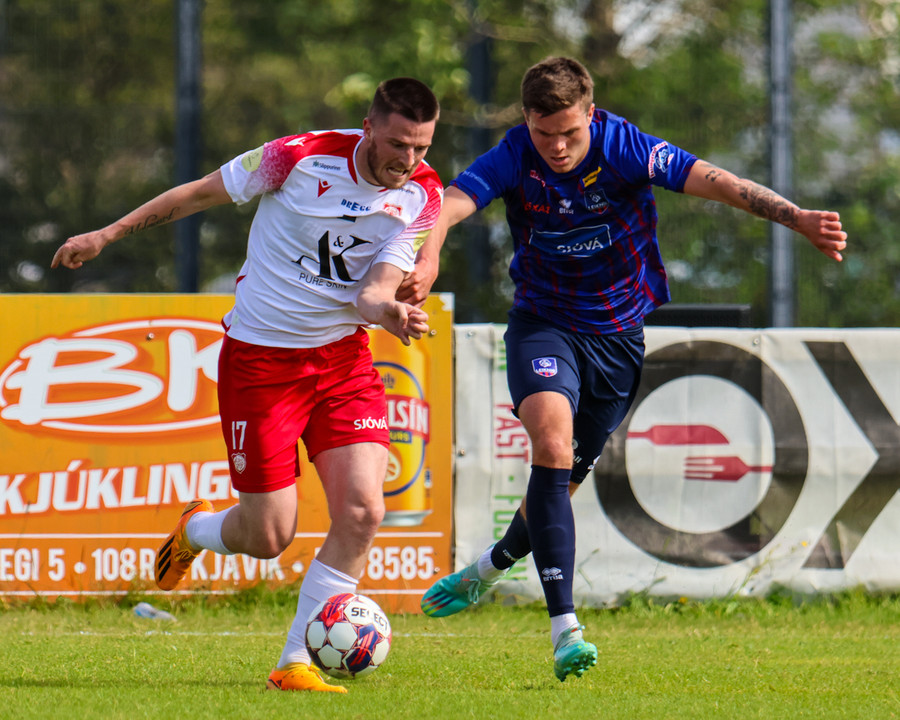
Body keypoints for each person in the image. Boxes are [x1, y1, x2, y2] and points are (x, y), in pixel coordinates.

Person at [397, 56, 847, 682]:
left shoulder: (625, 147)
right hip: (542, 324)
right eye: (543, 132)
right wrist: (429, 255)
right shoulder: (515, 153)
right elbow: (452, 201)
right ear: (527, 119)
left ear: (591, 113)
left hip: (616, 338)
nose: (556, 147)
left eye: (568, 133)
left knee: (560, 482)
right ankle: (565, 629)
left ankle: (490, 567)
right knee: (551, 447)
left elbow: (716, 180)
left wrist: (797, 218)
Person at [52, 77, 443, 693]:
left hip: (343, 363)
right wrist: (106, 234)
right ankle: (196, 530)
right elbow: (196, 193)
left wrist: (390, 311)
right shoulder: (297, 156)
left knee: (365, 511)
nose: (409, 159)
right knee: (268, 536)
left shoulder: (423, 193)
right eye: (398, 144)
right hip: (261, 366)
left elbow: (373, 290)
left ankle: (295, 662)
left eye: (421, 147)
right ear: (368, 127)